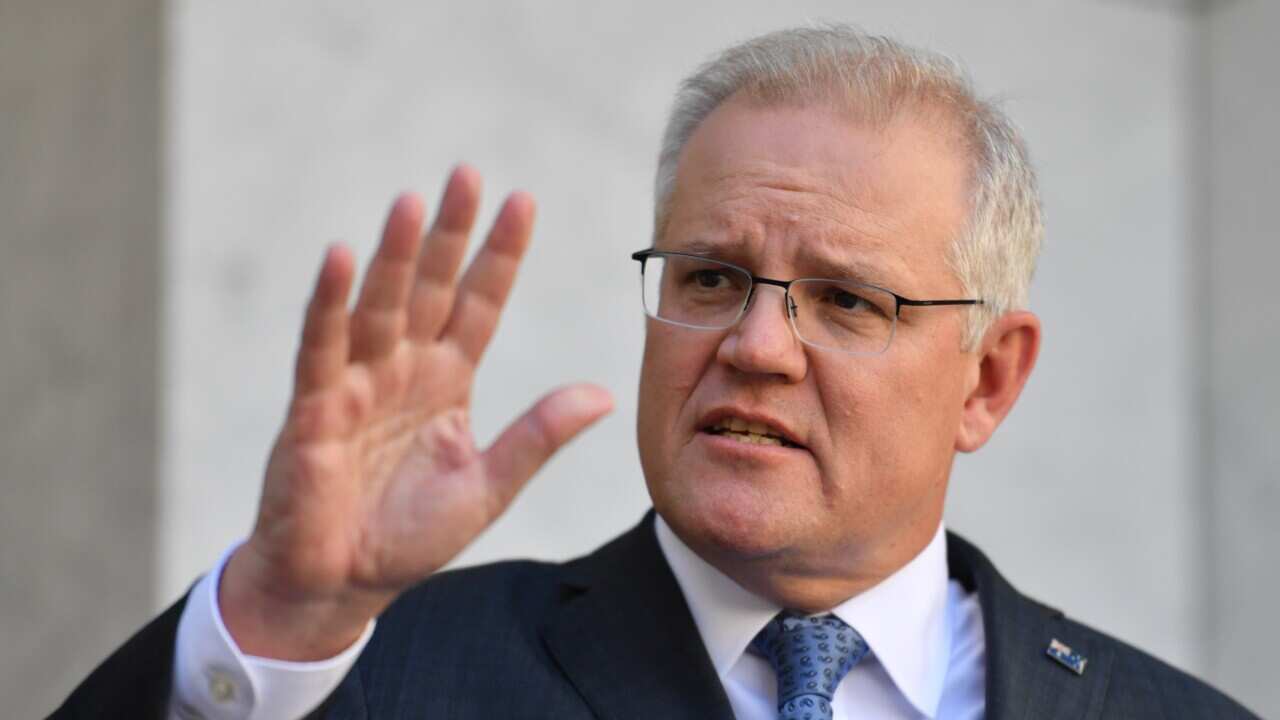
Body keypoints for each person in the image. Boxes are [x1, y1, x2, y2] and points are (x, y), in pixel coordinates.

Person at [55, 24, 1256, 720]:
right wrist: (278, 612)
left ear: (987, 380)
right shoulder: (387, 671)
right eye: (710, 278)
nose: (754, 346)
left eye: (843, 300)